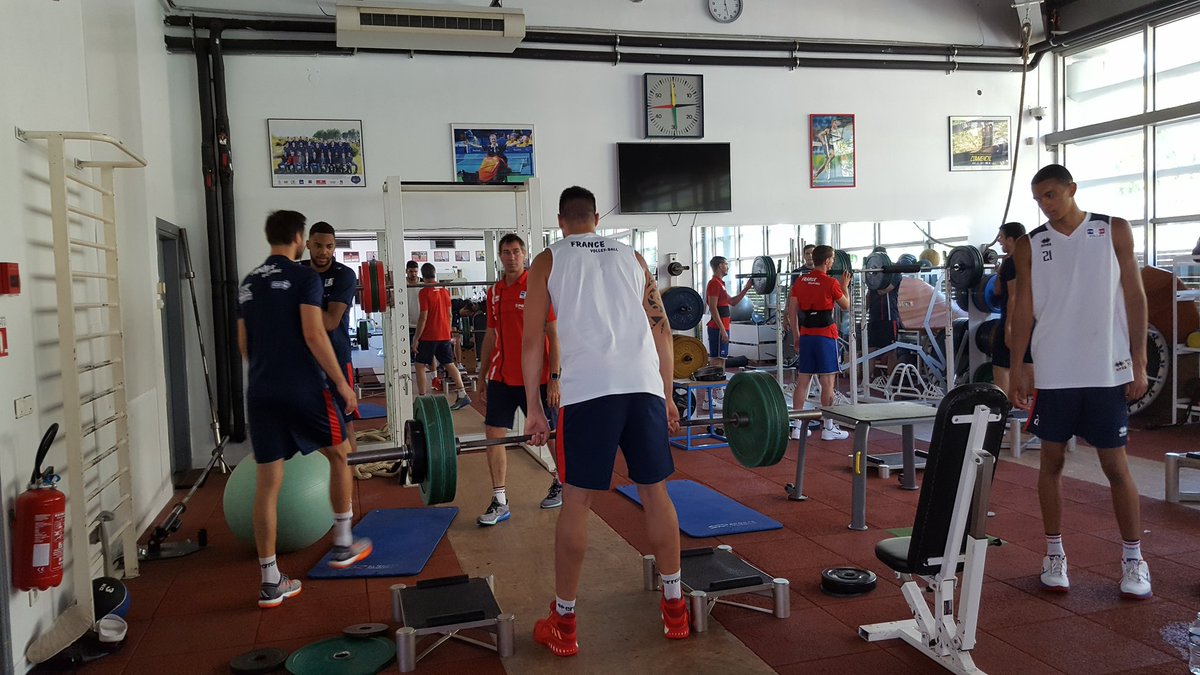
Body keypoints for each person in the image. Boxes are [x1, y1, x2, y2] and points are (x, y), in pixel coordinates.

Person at [522, 186, 688, 656]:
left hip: (588, 394)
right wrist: (668, 394)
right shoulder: (632, 257)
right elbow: (661, 327)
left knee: (576, 502)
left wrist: (535, 407)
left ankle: (566, 623)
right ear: (596, 217)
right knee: (656, 493)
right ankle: (675, 607)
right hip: (642, 387)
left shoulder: (548, 260)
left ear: (561, 220)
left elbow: (532, 338)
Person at [1007, 163, 1152, 599]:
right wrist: (1019, 364)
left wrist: (1140, 360)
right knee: (1050, 463)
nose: (1045, 206)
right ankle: (1054, 554)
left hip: (1106, 369)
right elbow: (1024, 306)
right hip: (1054, 371)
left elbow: (1135, 295)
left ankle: (1133, 559)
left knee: (1115, 467)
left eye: (1051, 195)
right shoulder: (1031, 244)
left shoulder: (1113, 230)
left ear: (1071, 189)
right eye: (1038, 200)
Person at [236, 210, 372, 609]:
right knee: (341, 456)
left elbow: (245, 346)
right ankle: (344, 544)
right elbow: (315, 333)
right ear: (299, 238)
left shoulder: (248, 283)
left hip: (260, 392)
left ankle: (269, 580)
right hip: (303, 388)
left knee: (268, 484)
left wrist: (267, 372)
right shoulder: (303, 278)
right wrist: (344, 385)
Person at [474, 234, 564, 525]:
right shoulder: (494, 292)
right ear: (500, 256)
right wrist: (481, 372)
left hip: (536, 377)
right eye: (506, 252)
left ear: (525, 254)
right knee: (493, 435)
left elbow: (553, 333)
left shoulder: (538, 288)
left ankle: (562, 482)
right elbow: (490, 335)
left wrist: (554, 377)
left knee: (550, 435)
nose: (511, 257)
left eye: (516, 251)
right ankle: (500, 500)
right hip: (501, 376)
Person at [302, 222, 360, 456]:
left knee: (344, 420)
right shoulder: (298, 272)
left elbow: (330, 322)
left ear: (334, 247)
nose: (323, 251)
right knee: (307, 421)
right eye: (317, 245)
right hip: (303, 360)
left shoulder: (344, 275)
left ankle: (351, 472)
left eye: (329, 246)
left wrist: (297, 308)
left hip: (336, 358)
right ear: (307, 245)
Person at [787, 245, 851, 441]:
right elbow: (847, 307)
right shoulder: (831, 283)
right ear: (827, 261)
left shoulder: (800, 281)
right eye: (832, 259)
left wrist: (797, 335)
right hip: (825, 336)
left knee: (803, 380)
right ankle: (828, 428)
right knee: (827, 382)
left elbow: (791, 311)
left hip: (806, 335)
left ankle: (797, 427)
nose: (833, 262)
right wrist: (844, 287)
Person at [414, 262, 471, 409]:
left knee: (419, 365)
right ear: (434, 274)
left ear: (422, 275)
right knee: (449, 364)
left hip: (429, 336)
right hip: (444, 335)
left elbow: (423, 317)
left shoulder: (424, 292)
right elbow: (450, 314)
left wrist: (416, 338)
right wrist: (448, 331)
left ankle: (423, 400)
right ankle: (463, 394)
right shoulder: (445, 291)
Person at [990, 221, 1031, 394]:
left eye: (1001, 237)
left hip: (1013, 320)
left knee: (1001, 367)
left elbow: (1014, 296)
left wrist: (1008, 328)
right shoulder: (1027, 261)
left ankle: (1003, 409)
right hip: (1031, 320)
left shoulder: (1013, 263)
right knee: (1028, 362)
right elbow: (998, 289)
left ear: (1011, 239)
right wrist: (1000, 269)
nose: (999, 241)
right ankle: (1032, 410)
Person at [705, 256, 753, 366]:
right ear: (720, 266)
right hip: (717, 328)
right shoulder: (714, 283)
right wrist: (722, 330)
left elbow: (733, 302)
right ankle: (716, 382)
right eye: (726, 264)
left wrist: (746, 288)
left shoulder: (720, 284)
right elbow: (713, 307)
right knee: (717, 360)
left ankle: (720, 381)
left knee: (722, 359)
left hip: (723, 327)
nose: (728, 267)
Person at [405, 260, 421, 342]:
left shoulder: (423, 283)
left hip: (421, 322)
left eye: (415, 271)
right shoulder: (402, 283)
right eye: (411, 271)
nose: (413, 274)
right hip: (406, 323)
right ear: (406, 271)